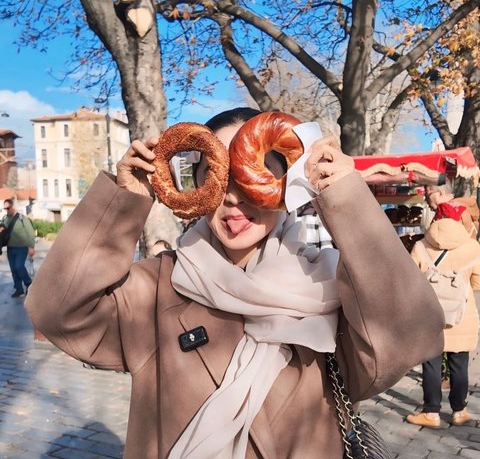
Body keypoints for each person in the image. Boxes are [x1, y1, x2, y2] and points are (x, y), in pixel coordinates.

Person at [26, 108, 444, 459]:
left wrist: (346, 198)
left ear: (285, 186)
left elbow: (411, 335)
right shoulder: (158, 285)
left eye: (254, 176)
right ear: (195, 187)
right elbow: (57, 311)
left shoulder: (329, 285)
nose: (233, 197)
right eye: (216, 177)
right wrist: (124, 204)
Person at [407, 202, 480, 428]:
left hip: (430, 316)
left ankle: (431, 413)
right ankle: (459, 411)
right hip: (462, 316)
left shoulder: (421, 246)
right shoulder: (472, 247)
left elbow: (411, 280)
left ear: (436, 220)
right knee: (459, 365)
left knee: (431, 364)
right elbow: (477, 282)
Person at [1, 198, 36, 298]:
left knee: (19, 267)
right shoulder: (5, 219)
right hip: (10, 248)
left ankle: (29, 284)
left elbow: (30, 232)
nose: (7, 210)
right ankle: (19, 289)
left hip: (22, 247)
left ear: (13, 207)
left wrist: (31, 247)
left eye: (8, 208)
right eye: (5, 209)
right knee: (13, 269)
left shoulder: (22, 218)